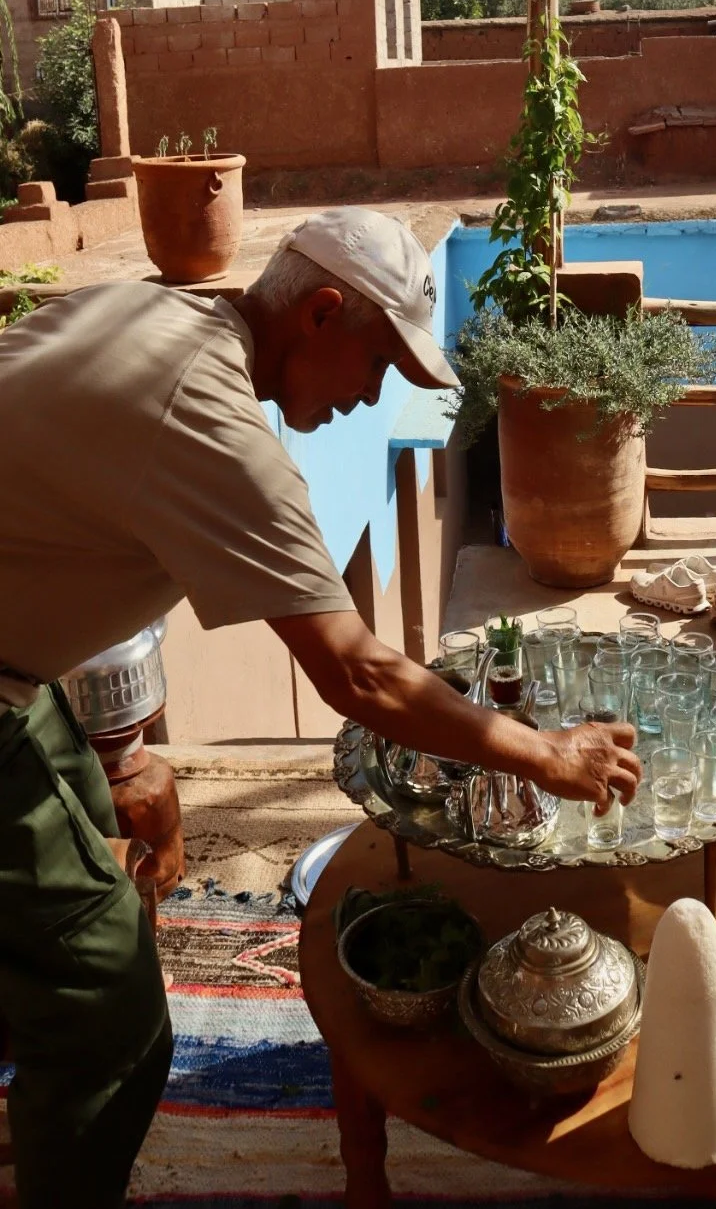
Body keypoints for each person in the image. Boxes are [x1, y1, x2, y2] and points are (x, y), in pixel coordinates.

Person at [0, 207, 639, 1207]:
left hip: (19, 673)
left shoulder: (150, 314)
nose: (371, 396)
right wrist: (547, 758)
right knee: (110, 1024)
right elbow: (361, 676)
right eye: (378, 365)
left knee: (80, 821)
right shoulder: (209, 422)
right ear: (323, 314)